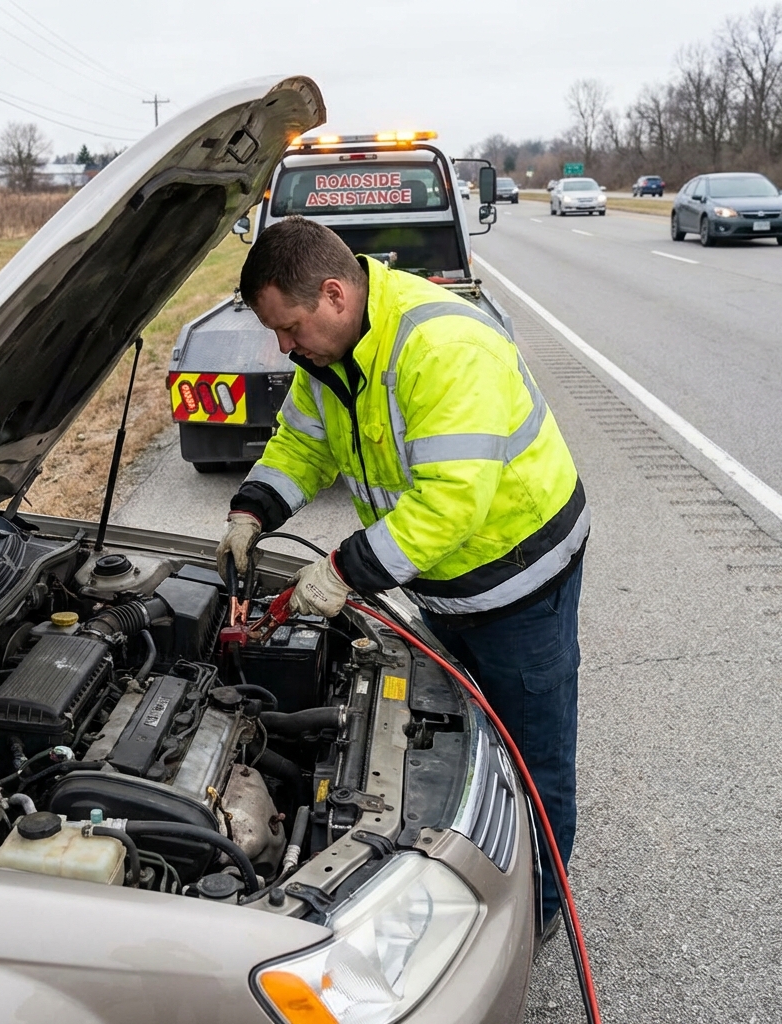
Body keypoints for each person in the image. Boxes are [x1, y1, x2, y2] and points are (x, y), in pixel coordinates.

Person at [215, 216, 588, 936]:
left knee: (532, 758)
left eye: (288, 328)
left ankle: (536, 918)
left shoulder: (442, 346)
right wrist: (251, 512)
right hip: (443, 584)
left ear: (334, 295)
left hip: (520, 583)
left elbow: (452, 502)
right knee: (472, 740)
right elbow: (302, 445)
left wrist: (343, 571)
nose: (284, 347)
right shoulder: (331, 356)